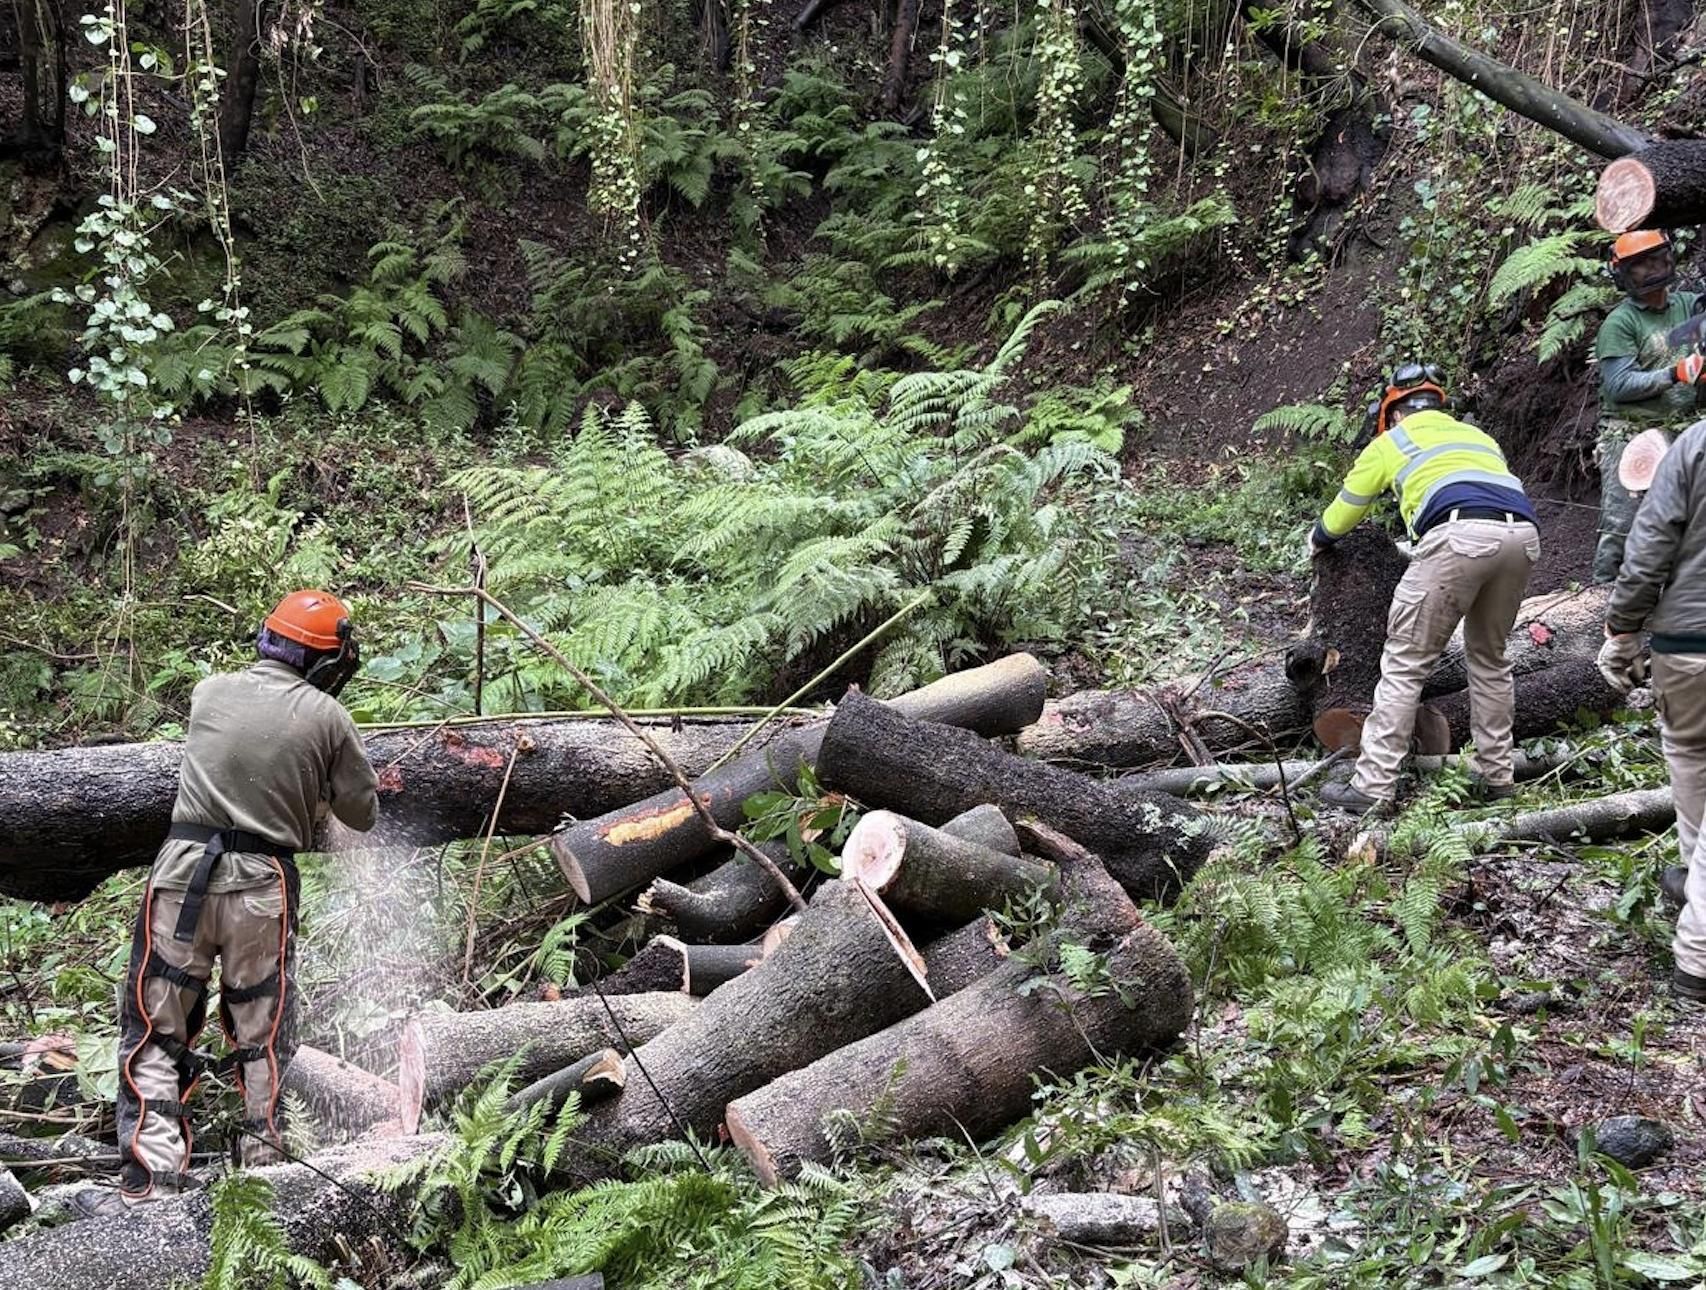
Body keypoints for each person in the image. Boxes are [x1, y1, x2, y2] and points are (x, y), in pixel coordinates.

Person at [98, 590, 378, 1212]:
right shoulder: (328, 716)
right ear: (324, 661)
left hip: (181, 877)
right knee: (262, 1034)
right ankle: (264, 1178)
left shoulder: (209, 691)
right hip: (261, 888)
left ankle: (151, 1179)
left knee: (155, 1031)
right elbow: (362, 812)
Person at [1308, 364, 1540, 816]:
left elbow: (1345, 513)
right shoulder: (1478, 438)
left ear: (1393, 414)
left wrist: (1317, 539)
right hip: (1522, 537)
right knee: (1490, 662)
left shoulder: (1391, 442)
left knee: (1406, 662)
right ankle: (1499, 780)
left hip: (1457, 536)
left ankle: (1373, 787)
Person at [1598, 418, 1706, 1004]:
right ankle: (1697, 900)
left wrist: (1621, 629)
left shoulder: (1694, 443)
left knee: (1689, 753)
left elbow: (1650, 545)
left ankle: (1697, 945)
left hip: (1686, 647)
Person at [1591, 230, 1703, 583]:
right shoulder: (1620, 323)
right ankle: (1601, 593)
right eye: (1640, 265)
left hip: (1687, 425)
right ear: (1624, 274)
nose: (1652, 269)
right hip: (1630, 430)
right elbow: (1620, 385)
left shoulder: (1690, 305)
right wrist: (1676, 373)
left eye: (1657, 259)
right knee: (1623, 523)